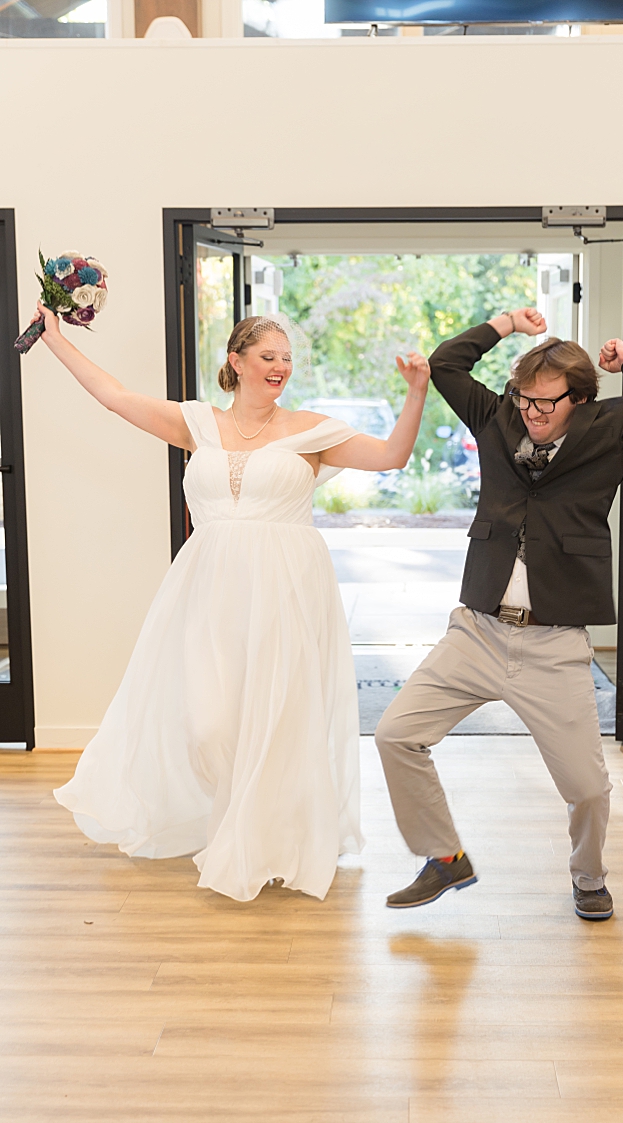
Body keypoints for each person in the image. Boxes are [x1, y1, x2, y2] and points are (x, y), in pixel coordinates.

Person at [43, 307, 431, 901]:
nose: (280, 367)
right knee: (209, 721)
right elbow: (115, 396)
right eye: (268, 356)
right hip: (207, 588)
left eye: (286, 358)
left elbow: (390, 457)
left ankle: (263, 838)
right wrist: (56, 340)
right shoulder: (197, 424)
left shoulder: (310, 430)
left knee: (276, 718)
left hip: (287, 590)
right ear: (236, 362)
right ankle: (232, 818)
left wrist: (416, 392)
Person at [375, 309, 623, 919]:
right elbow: (447, 364)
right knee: (396, 735)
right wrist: (505, 324)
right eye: (525, 399)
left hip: (554, 644)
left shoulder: (614, 433)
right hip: (477, 630)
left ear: (579, 399)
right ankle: (444, 857)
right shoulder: (497, 418)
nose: (533, 412)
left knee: (586, 789)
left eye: (548, 403)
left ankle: (589, 876)